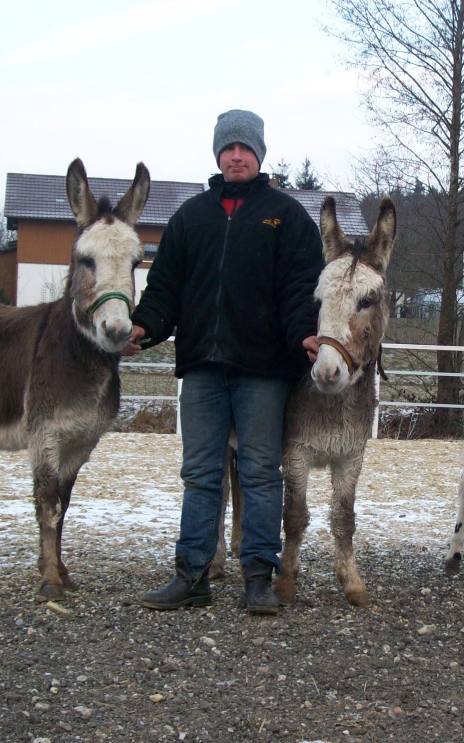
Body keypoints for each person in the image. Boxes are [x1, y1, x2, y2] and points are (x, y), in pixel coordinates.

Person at [127, 109, 324, 615]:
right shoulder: (191, 217)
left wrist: (305, 333)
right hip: (202, 369)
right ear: (217, 153)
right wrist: (144, 327)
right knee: (200, 473)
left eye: (245, 147)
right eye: (228, 147)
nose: (236, 155)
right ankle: (192, 574)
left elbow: (302, 287)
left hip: (263, 371)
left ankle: (258, 576)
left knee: (260, 471)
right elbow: (165, 287)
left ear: (260, 153)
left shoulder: (287, 216)